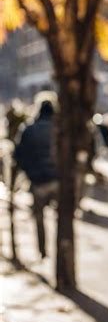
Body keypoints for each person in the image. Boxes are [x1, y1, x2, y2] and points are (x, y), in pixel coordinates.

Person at [14, 94, 59, 259]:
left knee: (39, 218)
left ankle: (43, 251)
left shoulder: (29, 129)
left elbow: (18, 155)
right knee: (61, 219)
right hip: (57, 179)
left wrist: (29, 172)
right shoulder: (59, 130)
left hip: (37, 180)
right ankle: (60, 252)